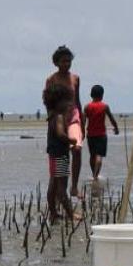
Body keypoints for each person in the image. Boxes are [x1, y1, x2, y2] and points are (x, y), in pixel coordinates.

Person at [45, 46, 84, 197]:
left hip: (73, 117)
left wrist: (83, 125)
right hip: (58, 118)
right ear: (56, 62)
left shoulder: (75, 78)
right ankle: (59, 193)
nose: (66, 64)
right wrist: (52, 122)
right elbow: (48, 102)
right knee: (60, 159)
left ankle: (74, 187)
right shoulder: (51, 79)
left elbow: (78, 101)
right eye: (63, 61)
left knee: (77, 149)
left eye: (69, 61)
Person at [44, 85, 76, 220]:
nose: (70, 104)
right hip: (60, 156)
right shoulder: (59, 117)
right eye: (68, 101)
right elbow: (60, 133)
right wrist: (71, 140)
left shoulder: (51, 116)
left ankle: (53, 212)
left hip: (53, 154)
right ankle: (70, 214)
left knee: (53, 183)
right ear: (59, 103)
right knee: (61, 187)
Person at [83, 84, 120, 182]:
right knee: (99, 156)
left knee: (92, 156)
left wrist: (81, 133)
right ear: (102, 95)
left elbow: (83, 121)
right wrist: (116, 128)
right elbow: (111, 118)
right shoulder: (104, 106)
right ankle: (96, 175)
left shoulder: (87, 107)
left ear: (91, 94)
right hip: (101, 135)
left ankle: (94, 174)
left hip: (90, 135)